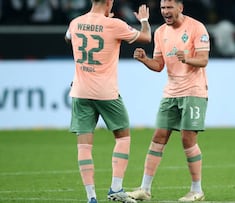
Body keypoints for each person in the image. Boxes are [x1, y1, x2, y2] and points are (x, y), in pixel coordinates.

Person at [64, 0, 151, 202]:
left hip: (80, 90)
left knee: (84, 146)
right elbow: (146, 37)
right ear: (109, 2)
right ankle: (115, 189)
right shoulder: (116, 25)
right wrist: (144, 21)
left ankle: (91, 197)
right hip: (106, 92)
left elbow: (69, 39)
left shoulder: (75, 22)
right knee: (122, 138)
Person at [126, 0, 210, 201]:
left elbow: (204, 59)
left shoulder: (197, 27)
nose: (165, 11)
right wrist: (145, 60)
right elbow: (159, 65)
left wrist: (187, 58)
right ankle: (144, 189)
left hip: (193, 91)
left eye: (169, 7)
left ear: (180, 8)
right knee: (158, 136)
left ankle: (197, 190)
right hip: (171, 92)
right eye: (163, 8)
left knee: (187, 139)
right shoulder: (160, 32)